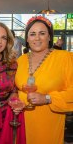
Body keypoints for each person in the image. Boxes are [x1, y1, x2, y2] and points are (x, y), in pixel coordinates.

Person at [15, 16, 73, 144]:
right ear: (27, 38)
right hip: (21, 121)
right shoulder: (21, 60)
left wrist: (47, 98)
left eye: (42, 33)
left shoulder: (65, 58)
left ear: (49, 37)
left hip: (48, 122)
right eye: (32, 34)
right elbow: (14, 89)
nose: (37, 38)